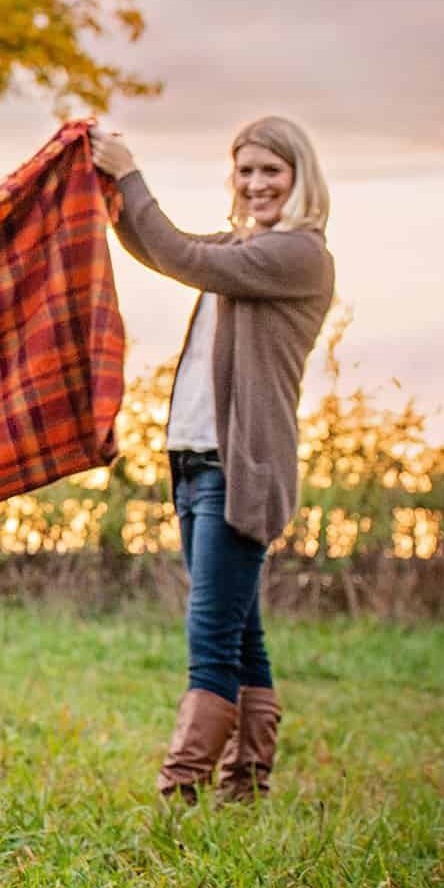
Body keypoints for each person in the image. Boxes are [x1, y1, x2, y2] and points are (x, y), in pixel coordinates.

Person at [90, 118, 334, 803]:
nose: (256, 184)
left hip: (240, 470)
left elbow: (179, 254)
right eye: (246, 171)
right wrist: (112, 190)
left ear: (300, 178)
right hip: (197, 463)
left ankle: (180, 792)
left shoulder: (299, 255)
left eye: (271, 171)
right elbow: (162, 248)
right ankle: (247, 784)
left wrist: (131, 173)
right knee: (238, 629)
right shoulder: (244, 247)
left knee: (211, 638)